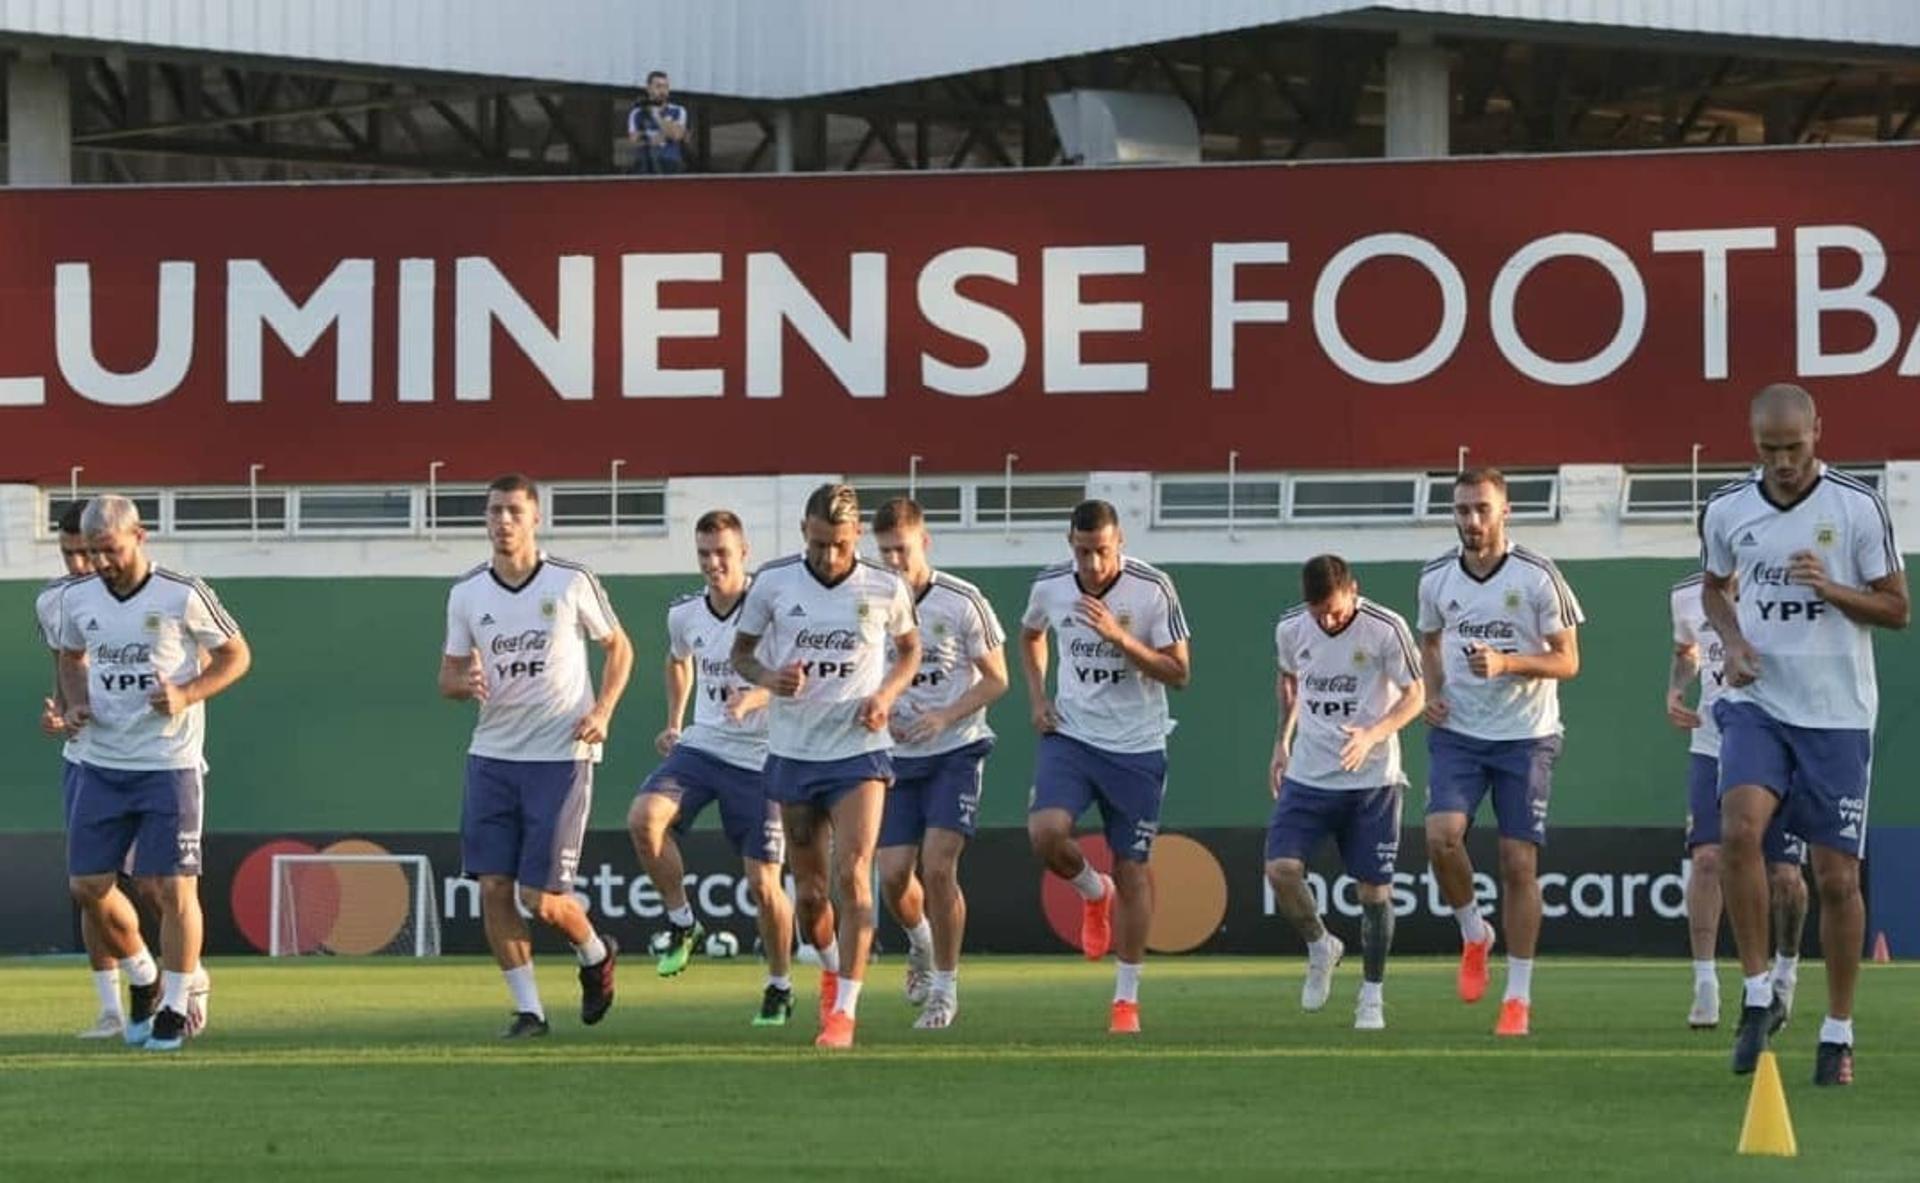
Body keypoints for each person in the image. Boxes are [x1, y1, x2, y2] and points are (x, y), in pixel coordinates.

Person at [1702, 383, 1907, 1086]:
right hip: (1761, 702)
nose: (1784, 461)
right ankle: (1758, 993)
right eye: (1770, 449)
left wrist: (1833, 589)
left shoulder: (1856, 507)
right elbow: (1713, 587)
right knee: (1737, 831)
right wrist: (1730, 640)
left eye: (1794, 447)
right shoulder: (1728, 509)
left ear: (1819, 431)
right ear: (1753, 440)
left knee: (1836, 878)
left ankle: (1837, 1032)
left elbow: (1896, 608)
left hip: (1838, 715)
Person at [439, 474, 634, 1038]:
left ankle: (596, 954)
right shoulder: (467, 593)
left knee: (542, 900)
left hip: (560, 757)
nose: (503, 522)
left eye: (514, 511)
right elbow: (448, 676)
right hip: (492, 756)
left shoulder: (572, 581)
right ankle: (530, 1011)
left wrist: (603, 711)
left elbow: (619, 646)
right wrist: (462, 681)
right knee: (494, 889)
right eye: (494, 510)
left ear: (535, 518)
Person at [57, 495, 251, 1051]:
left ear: (139, 536)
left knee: (171, 887)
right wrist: (73, 704)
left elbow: (237, 655)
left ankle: (174, 1004)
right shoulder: (78, 598)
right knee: (88, 886)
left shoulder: (183, 593)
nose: (100, 562)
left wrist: (188, 692)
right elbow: (71, 658)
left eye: (110, 550)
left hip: (167, 763)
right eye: (92, 552)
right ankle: (144, 975)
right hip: (100, 761)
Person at [730, 483, 919, 1049]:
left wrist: (886, 694)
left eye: (837, 545)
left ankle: (844, 1014)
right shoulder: (773, 583)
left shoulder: (885, 587)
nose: (827, 556)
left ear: (855, 535)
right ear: (804, 533)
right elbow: (741, 654)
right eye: (817, 544)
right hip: (793, 753)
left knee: (853, 874)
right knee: (811, 894)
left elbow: (910, 651)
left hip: (858, 750)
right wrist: (768, 678)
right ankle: (831, 969)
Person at [1418, 468, 1584, 1038]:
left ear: (1505, 511)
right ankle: (1473, 932)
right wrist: (1433, 692)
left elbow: (1568, 662)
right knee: (1441, 837)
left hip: (1527, 736)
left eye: (1482, 509)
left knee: (1518, 865)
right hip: (1460, 733)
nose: (1471, 520)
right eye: (1462, 510)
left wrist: (1509, 663)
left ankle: (1517, 995)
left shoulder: (1539, 577)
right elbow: (1429, 640)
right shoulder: (1437, 577)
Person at [1021, 499, 1190, 1035]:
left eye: (1101, 552)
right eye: (1082, 552)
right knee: (1046, 834)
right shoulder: (1050, 585)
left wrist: (1120, 639)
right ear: (1068, 543)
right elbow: (1030, 636)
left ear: (1119, 543)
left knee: (1133, 868)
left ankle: (1126, 998)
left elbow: (1179, 673)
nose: (1092, 565)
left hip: (1137, 746)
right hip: (1071, 735)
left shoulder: (1152, 588)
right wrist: (1037, 698)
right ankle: (1094, 893)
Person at [628, 510, 796, 1026]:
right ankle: (683, 923)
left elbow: (796, 677)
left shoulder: (771, 608)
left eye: (722, 552)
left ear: (744, 552)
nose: (712, 563)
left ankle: (779, 984)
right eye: (704, 553)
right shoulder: (685, 613)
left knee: (764, 886)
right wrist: (675, 720)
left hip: (762, 759)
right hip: (703, 747)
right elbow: (677, 659)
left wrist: (756, 697)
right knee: (643, 819)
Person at [1266, 555, 1424, 1030]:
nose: (1328, 620)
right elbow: (1290, 682)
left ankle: (1371, 996)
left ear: (1353, 590)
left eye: (1335, 610)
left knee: (1373, 892)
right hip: (1309, 776)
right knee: (1281, 870)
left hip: (1372, 781)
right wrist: (1282, 740)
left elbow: (1416, 694)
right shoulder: (1292, 628)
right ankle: (1321, 945)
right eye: (1319, 614)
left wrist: (1372, 735)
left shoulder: (1385, 628)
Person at [871, 497, 1009, 1030]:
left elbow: (997, 679)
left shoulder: (961, 601)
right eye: (884, 552)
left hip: (956, 749)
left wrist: (944, 717)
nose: (894, 562)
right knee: (891, 876)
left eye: (901, 550)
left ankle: (945, 992)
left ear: (923, 542)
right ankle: (921, 944)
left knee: (938, 864)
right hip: (896, 755)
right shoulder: (874, 601)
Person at [37, 501, 161, 1040]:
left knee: (160, 885)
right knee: (89, 885)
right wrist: (64, 713)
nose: (81, 566)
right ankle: (115, 1004)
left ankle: (185, 980)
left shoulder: (157, 594)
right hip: (88, 760)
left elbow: (194, 661)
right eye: (71, 555)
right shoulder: (54, 602)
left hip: (153, 759)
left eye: (89, 553)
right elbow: (66, 665)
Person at [1667, 568, 1808, 1030]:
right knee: (1707, 858)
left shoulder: (1779, 587)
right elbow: (1685, 651)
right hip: (1710, 743)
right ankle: (1705, 983)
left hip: (1775, 741)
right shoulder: (1687, 595)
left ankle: (1785, 970)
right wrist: (1675, 687)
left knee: (1785, 876)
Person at [627, 70, 690, 175]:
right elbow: (634, 140)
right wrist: (655, 138)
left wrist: (656, 115)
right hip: (645, 164)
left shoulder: (678, 110)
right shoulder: (637, 112)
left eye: (666, 87)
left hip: (670, 162)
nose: (662, 91)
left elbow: (676, 135)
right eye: (658, 86)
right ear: (649, 88)